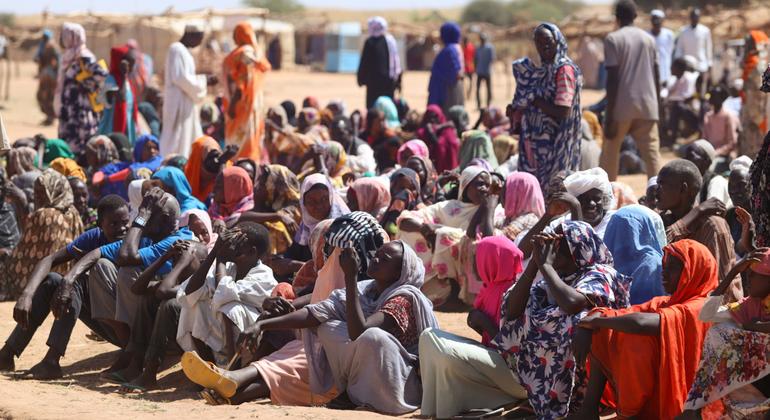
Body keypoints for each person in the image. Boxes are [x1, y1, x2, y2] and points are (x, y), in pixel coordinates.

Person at [187, 240, 437, 414]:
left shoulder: (404, 297)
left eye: (386, 258)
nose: (376, 258)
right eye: (377, 253)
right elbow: (313, 314)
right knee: (328, 326)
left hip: (401, 385)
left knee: (372, 337)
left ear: (399, 272)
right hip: (367, 376)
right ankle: (230, 389)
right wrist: (261, 325)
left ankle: (232, 384)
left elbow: (360, 331)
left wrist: (350, 277)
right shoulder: (367, 290)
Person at [497, 221, 631, 418]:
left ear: (579, 246)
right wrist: (535, 264)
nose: (554, 247)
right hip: (557, 377)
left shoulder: (601, 273)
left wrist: (546, 267)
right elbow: (512, 311)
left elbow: (572, 303)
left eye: (560, 242)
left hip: (603, 371)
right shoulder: (556, 278)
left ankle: (587, 404)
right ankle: (545, 398)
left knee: (581, 321)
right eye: (552, 241)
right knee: (528, 309)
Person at [575, 239, 717, 419]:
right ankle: (589, 409)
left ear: (694, 271)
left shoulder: (701, 306)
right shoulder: (668, 302)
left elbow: (641, 323)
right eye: (664, 265)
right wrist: (589, 324)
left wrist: (597, 322)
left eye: (673, 267)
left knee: (635, 337)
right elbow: (622, 313)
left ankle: (630, 413)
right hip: (660, 382)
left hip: (688, 394)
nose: (664, 272)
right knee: (606, 329)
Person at [0, 195, 130, 378]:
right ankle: (8, 352)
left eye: (125, 222)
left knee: (73, 282)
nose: (122, 229)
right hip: (107, 319)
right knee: (53, 280)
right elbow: (50, 259)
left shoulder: (133, 241)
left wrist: (69, 281)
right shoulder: (95, 237)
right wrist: (27, 295)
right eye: (113, 224)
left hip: (130, 328)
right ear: (100, 224)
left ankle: (52, 361)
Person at [84, 189, 193, 375]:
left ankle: (137, 354)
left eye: (150, 214)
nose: (142, 218)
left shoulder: (178, 241)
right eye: (143, 212)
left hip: (173, 326)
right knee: (101, 266)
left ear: (165, 219)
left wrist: (142, 217)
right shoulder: (150, 239)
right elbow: (99, 252)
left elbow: (126, 257)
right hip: (150, 312)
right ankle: (130, 350)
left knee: (127, 272)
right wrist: (68, 280)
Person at [419, 237, 528, 419]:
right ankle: (432, 407)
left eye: (478, 257)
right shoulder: (491, 287)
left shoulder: (516, 292)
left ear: (493, 260)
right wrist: (479, 324)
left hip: (516, 373)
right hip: (496, 360)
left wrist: (483, 321)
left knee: (440, 345)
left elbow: (513, 349)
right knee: (428, 336)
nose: (473, 264)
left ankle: (449, 410)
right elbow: (491, 337)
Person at [683, 249, 770, 415]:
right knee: (718, 331)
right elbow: (706, 314)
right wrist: (733, 272)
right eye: (747, 274)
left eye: (754, 275)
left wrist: (754, 327)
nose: (748, 279)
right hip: (754, 382)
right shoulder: (749, 305)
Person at [177, 223, 277, 363]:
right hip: (224, 335)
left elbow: (223, 294)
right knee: (193, 304)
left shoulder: (264, 276)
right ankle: (207, 365)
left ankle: (233, 369)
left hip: (252, 337)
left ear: (251, 252)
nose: (231, 246)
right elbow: (190, 293)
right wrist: (215, 252)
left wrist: (221, 259)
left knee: (231, 309)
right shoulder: (230, 267)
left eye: (237, 243)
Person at [397, 166, 492, 305]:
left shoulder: (492, 211)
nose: (484, 188)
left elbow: (486, 238)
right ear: (465, 185)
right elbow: (404, 221)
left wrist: (440, 232)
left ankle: (461, 289)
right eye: (479, 184)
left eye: (487, 185)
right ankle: (446, 285)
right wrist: (424, 229)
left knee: (449, 236)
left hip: (473, 273)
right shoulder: (449, 207)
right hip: (441, 279)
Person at [656, 159, 742, 301]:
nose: (656, 190)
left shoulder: (712, 226)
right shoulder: (665, 219)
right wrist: (697, 211)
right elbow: (659, 247)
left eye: (662, 184)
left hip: (715, 311)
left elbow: (721, 284)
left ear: (683, 189)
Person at [511, 22, 582, 188]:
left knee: (555, 187)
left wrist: (533, 100)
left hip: (557, 142)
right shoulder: (545, 70)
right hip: (541, 144)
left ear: (557, 40)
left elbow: (563, 110)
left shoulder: (564, 70)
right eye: (539, 42)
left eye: (548, 40)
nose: (544, 45)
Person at [1, 169, 84, 301]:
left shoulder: (44, 215)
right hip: (68, 280)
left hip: (42, 281)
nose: (37, 196)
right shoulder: (73, 212)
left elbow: (25, 252)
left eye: (41, 192)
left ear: (53, 190)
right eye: (36, 191)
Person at [601, 0, 661, 181]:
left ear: (616, 18)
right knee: (652, 156)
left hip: (622, 106)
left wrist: (609, 114)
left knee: (610, 152)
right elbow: (657, 75)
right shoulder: (649, 39)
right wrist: (657, 105)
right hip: (647, 105)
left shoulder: (613, 39)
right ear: (635, 17)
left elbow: (612, 79)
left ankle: (607, 197)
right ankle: (658, 194)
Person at [160, 25, 215, 158]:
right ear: (191, 35)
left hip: (185, 102)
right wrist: (204, 81)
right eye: (199, 38)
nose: (200, 42)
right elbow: (180, 77)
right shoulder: (176, 49)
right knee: (175, 140)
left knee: (186, 139)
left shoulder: (184, 51)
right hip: (178, 104)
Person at [55, 23, 107, 153]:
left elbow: (101, 75)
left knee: (81, 147)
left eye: (65, 35)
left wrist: (83, 82)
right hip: (69, 109)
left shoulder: (83, 56)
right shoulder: (68, 57)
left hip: (81, 110)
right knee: (67, 146)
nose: (62, 39)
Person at [223, 22, 271, 162]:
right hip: (254, 104)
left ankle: (239, 167)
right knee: (251, 135)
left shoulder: (243, 54)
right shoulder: (255, 53)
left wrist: (232, 105)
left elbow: (242, 81)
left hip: (241, 105)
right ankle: (250, 164)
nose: (233, 38)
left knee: (239, 139)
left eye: (235, 34)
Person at [604, 205, 666, 304]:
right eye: (619, 228)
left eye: (628, 228)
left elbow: (648, 308)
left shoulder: (650, 264)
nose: (623, 234)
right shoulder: (607, 259)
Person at [239, 164, 301, 255]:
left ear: (275, 186)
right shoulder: (271, 208)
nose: (257, 185)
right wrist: (277, 216)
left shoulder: (292, 211)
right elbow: (240, 217)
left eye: (262, 182)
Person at [357, 17, 401, 109]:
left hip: (375, 84)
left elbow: (364, 63)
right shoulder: (389, 41)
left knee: (374, 109)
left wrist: (361, 78)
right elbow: (397, 63)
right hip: (387, 83)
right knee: (387, 108)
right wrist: (398, 81)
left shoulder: (371, 42)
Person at [739, 30, 770, 158]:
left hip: (758, 121)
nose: (746, 47)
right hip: (749, 118)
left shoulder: (758, 67)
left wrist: (758, 119)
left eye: (749, 44)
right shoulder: (749, 66)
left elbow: (760, 95)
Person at [99, 44, 138, 144]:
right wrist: (124, 76)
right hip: (112, 130)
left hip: (127, 129)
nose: (133, 66)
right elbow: (121, 98)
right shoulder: (111, 81)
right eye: (131, 63)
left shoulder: (127, 82)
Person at [674, 8, 713, 96]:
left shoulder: (705, 31)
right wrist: (678, 63)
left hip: (701, 66)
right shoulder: (683, 31)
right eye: (693, 17)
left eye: (696, 17)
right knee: (688, 91)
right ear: (690, 18)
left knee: (701, 91)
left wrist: (709, 64)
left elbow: (708, 48)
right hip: (687, 67)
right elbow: (679, 48)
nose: (695, 19)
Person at [682, 139, 732, 207]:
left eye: (691, 156)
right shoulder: (686, 182)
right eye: (685, 156)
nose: (686, 160)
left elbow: (712, 212)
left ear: (707, 162)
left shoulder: (716, 182)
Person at [428, 22, 464, 113]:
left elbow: (454, 72)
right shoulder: (454, 48)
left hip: (446, 91)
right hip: (452, 88)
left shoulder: (449, 50)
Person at [416, 105, 459, 172]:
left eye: (435, 117)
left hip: (447, 169)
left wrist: (436, 129)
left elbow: (441, 147)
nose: (432, 119)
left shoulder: (448, 132)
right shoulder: (422, 132)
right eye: (429, 117)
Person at [702, 85, 739, 159]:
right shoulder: (708, 116)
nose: (711, 98)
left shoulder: (728, 116)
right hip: (709, 153)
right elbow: (704, 138)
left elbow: (732, 143)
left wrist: (717, 152)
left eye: (714, 96)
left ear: (721, 99)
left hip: (723, 155)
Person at [34, 29, 58, 126]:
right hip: (49, 75)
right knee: (46, 96)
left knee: (46, 96)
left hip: (47, 75)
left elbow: (54, 62)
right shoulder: (49, 46)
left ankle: (50, 117)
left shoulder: (46, 47)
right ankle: (49, 117)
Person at [649, 9, 674, 89]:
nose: (656, 21)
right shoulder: (646, 35)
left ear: (662, 20)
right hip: (650, 74)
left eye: (658, 19)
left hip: (665, 73)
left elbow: (670, 52)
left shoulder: (669, 35)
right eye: (654, 19)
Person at [474, 34, 495, 110]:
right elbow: (475, 59)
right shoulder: (478, 48)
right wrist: (475, 68)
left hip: (487, 71)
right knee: (477, 89)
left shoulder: (490, 48)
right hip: (480, 71)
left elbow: (492, 59)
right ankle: (479, 105)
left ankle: (488, 105)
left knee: (488, 89)